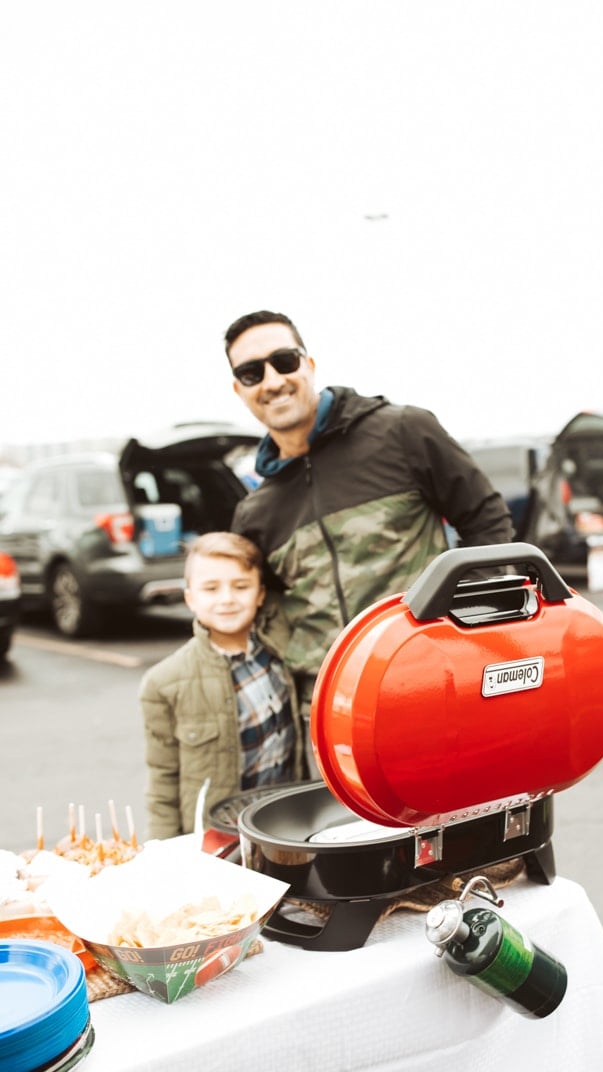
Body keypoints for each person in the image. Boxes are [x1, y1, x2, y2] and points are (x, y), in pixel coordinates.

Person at [223, 309, 515, 769]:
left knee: (454, 834)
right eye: (251, 372)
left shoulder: (402, 432)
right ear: (239, 390)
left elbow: (485, 520)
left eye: (284, 360)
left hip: (433, 698)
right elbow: (264, 613)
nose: (273, 380)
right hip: (329, 727)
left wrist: (474, 635)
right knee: (351, 842)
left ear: (309, 364)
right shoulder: (256, 513)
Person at [139, 531, 303, 839]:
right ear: (190, 598)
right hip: (218, 840)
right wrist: (162, 853)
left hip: (287, 826)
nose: (227, 599)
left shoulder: (284, 651)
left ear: (260, 594)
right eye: (211, 588)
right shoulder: (163, 683)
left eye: (240, 586)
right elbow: (162, 779)